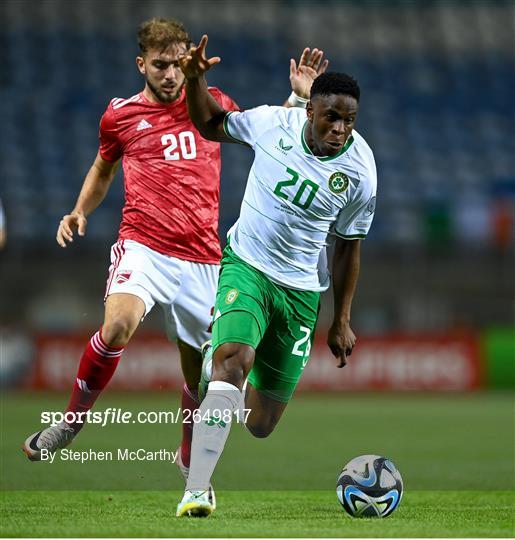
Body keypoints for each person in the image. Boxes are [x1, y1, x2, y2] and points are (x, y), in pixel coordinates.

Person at [21, 18, 328, 504]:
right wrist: (80, 210)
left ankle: (187, 456)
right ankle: (71, 423)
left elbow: (267, 136)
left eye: (177, 64)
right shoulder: (120, 116)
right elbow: (104, 165)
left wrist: (295, 101)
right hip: (144, 246)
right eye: (160, 65)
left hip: (205, 260)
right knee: (118, 325)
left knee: (201, 376)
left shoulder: (212, 104)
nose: (169, 74)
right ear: (141, 63)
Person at [175, 36, 377, 517]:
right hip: (247, 265)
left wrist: (342, 318)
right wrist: (195, 79)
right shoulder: (274, 122)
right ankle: (197, 488)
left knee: (261, 423)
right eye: (331, 116)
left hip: (302, 292)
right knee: (233, 360)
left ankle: (218, 375)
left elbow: (349, 248)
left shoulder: (362, 172)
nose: (339, 129)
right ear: (310, 111)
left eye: (349, 120)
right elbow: (209, 123)